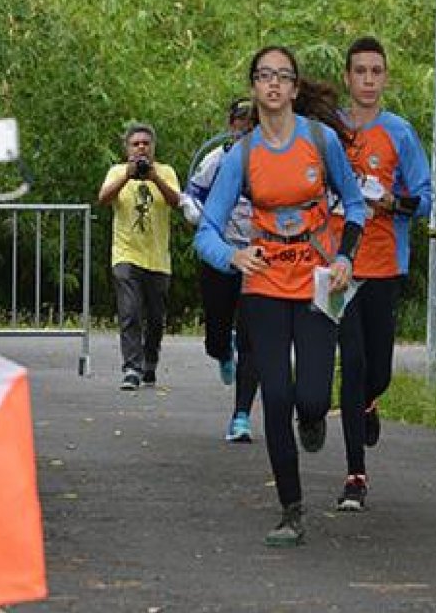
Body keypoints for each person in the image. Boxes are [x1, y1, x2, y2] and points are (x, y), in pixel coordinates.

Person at [195, 46, 366, 547]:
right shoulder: (242, 155)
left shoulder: (320, 140)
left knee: (311, 397)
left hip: (317, 281)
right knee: (275, 397)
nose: (273, 84)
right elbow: (206, 230)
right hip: (264, 285)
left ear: (293, 88)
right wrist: (232, 256)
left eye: (282, 76)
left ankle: (313, 420)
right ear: (254, 87)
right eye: (264, 76)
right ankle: (291, 511)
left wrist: (345, 258)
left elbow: (355, 204)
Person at [331, 37, 431, 512]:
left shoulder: (399, 133)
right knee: (351, 366)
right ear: (347, 78)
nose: (368, 80)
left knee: (379, 372)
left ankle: (371, 401)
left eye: (376, 72)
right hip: (339, 267)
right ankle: (355, 475)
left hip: (385, 263)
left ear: (385, 78)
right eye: (360, 71)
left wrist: (392, 202)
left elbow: (424, 198)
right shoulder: (328, 132)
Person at [180, 97, 260, 442]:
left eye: (254, 121)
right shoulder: (217, 159)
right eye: (242, 120)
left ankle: (241, 416)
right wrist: (196, 214)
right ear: (231, 124)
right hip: (221, 255)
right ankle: (222, 350)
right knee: (217, 334)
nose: (247, 126)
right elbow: (191, 195)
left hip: (258, 258)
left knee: (252, 339)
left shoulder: (272, 160)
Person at [98, 123, 180, 390]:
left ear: (153, 147)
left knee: (156, 318)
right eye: (136, 144)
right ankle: (131, 368)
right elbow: (103, 198)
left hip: (158, 258)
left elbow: (177, 202)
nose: (141, 148)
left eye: (146, 143)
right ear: (127, 149)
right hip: (126, 254)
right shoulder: (117, 171)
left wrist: (154, 178)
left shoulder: (166, 172)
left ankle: (150, 363)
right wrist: (127, 176)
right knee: (130, 312)